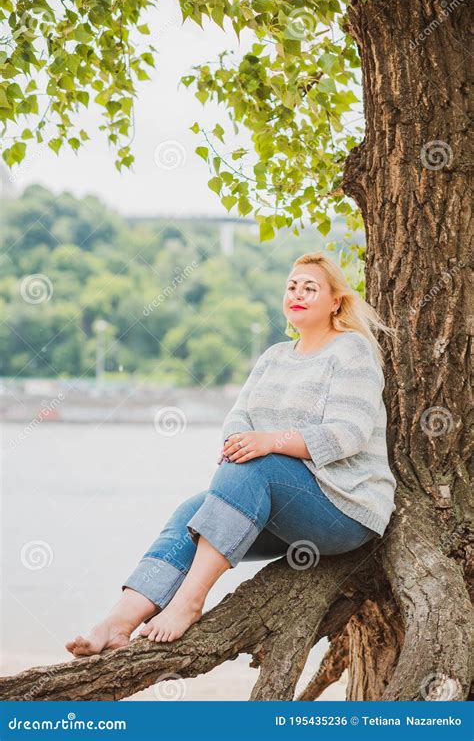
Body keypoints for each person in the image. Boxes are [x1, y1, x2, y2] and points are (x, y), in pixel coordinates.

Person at [66, 251, 397, 657]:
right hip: (281, 510)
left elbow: (349, 433)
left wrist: (269, 441)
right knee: (194, 508)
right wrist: (243, 441)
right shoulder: (274, 357)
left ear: (335, 302)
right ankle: (118, 622)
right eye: (291, 286)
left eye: (310, 288)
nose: (297, 294)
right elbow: (238, 417)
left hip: (343, 509)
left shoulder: (352, 352)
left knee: (254, 465)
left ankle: (189, 601)